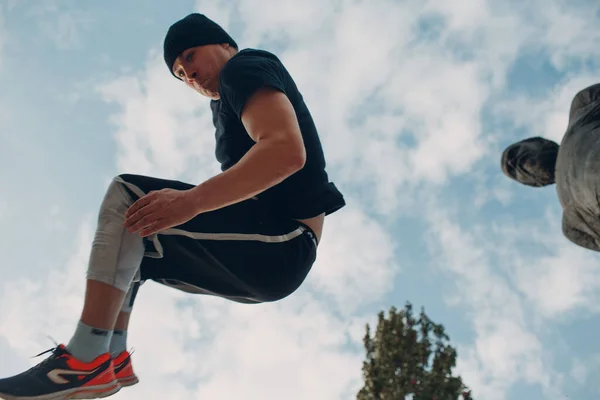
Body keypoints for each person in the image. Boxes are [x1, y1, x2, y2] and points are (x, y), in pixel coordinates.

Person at [0, 13, 345, 400]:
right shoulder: (225, 106)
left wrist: (192, 202)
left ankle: (83, 360)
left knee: (129, 197)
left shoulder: (243, 66)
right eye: (181, 74)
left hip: (284, 242)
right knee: (136, 240)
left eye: (192, 57)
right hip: (275, 256)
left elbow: (285, 151)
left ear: (225, 44)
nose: (191, 75)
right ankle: (110, 356)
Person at [501, 82, 600, 252]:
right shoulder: (572, 226)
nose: (512, 163)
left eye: (514, 154)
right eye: (514, 170)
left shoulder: (583, 108)